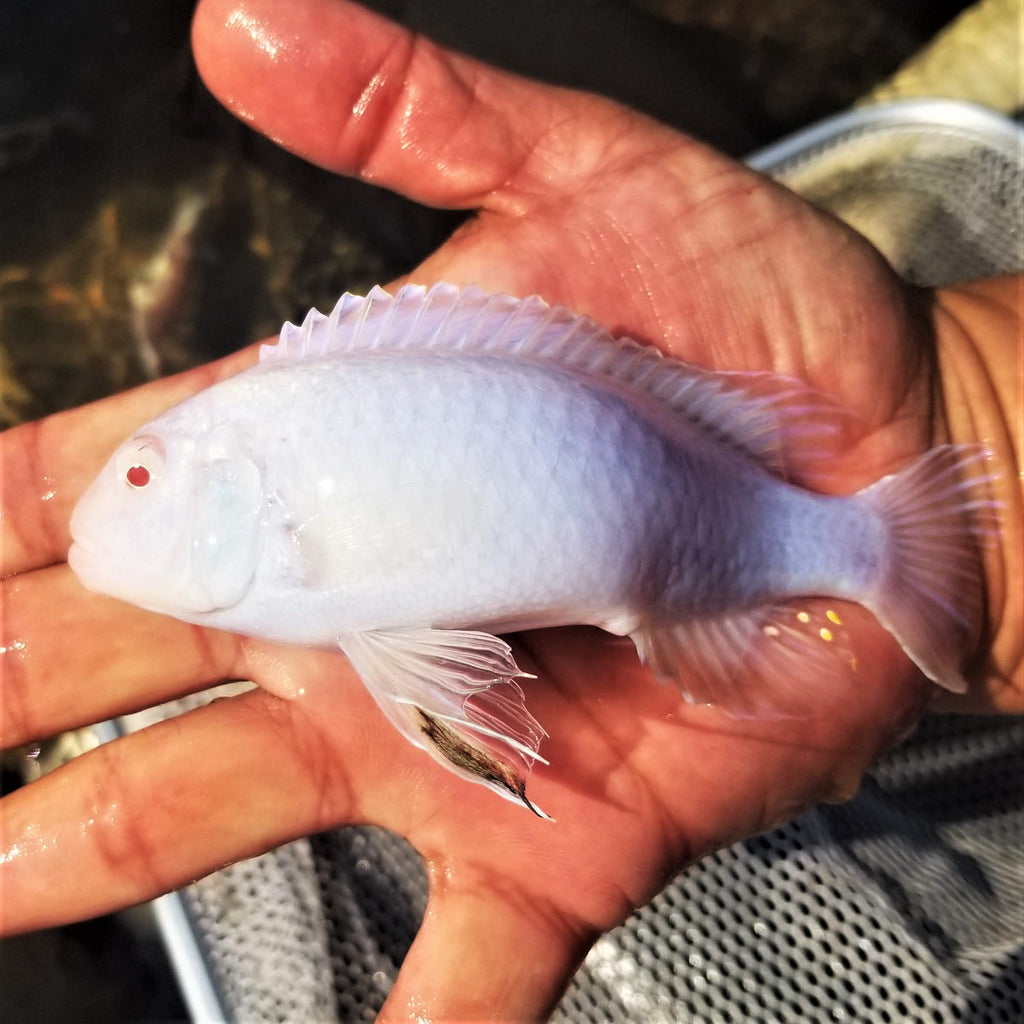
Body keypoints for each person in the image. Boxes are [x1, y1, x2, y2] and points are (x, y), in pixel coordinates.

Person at [1, 0, 1020, 1019]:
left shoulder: (274, 469)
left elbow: (405, 640)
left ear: (227, 486)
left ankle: (889, 544)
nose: (114, 507)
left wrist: (970, 431)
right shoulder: (268, 440)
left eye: (140, 476)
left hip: (749, 517)